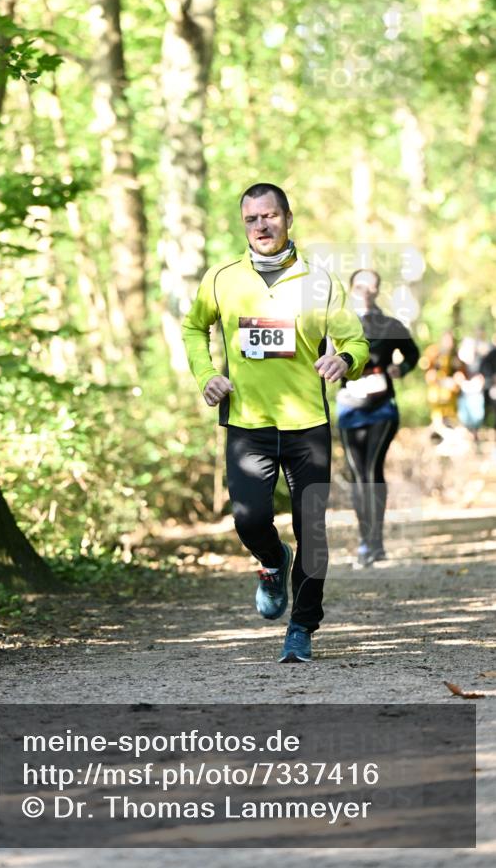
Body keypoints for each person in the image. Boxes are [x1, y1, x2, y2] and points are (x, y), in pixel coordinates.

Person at [181, 183, 369, 663]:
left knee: (313, 529)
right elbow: (191, 327)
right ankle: (270, 560)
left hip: (307, 423)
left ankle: (302, 627)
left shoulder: (321, 281)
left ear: (288, 218)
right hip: (248, 423)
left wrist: (345, 360)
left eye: (270, 216)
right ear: (243, 224)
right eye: (251, 219)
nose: (261, 226)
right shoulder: (222, 278)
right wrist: (207, 374)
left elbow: (357, 342)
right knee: (249, 520)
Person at [336, 269, 420, 566]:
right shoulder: (338, 323)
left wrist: (401, 368)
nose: (365, 291)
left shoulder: (389, 324)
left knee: (372, 470)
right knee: (359, 475)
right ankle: (366, 540)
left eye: (371, 286)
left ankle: (376, 541)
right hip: (349, 404)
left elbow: (412, 353)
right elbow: (318, 354)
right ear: (351, 288)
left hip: (383, 407)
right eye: (360, 285)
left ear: (377, 290)